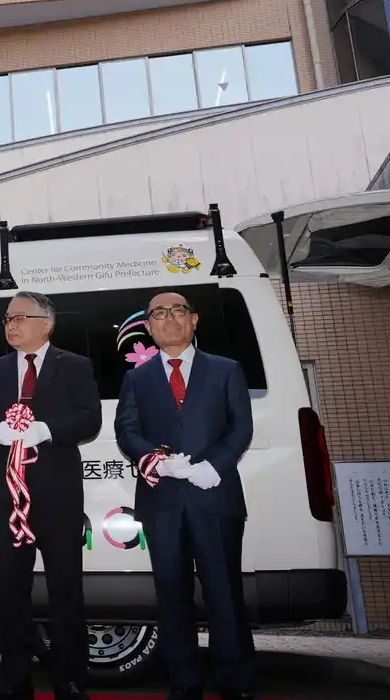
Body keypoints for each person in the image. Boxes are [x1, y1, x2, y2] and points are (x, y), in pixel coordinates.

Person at [113, 291, 256, 700]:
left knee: (224, 591)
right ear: (148, 327)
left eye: (178, 311)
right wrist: (155, 461)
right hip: (162, 502)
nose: (169, 319)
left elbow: (240, 427)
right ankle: (184, 682)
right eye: (159, 314)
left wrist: (213, 467)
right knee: (172, 594)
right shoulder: (137, 378)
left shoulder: (225, 369)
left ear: (194, 321)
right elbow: (127, 430)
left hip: (215, 497)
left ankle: (235, 681)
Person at [0, 291, 100, 700]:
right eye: (7, 318)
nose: (11, 324)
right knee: (12, 591)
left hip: (58, 494)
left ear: (47, 324)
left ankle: (70, 680)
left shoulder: (74, 365)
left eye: (20, 317)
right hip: (8, 496)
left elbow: (89, 418)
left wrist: (46, 430)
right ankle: (15, 680)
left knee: (65, 588)